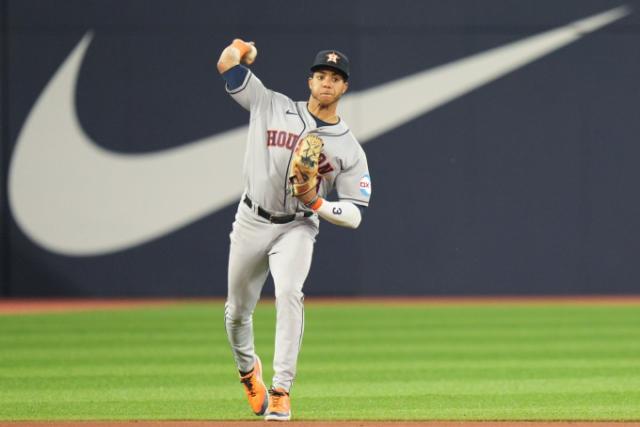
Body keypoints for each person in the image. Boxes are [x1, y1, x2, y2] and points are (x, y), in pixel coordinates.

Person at [217, 38, 371, 421]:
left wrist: (317, 203)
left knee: (289, 293)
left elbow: (354, 214)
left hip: (298, 226)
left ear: (345, 87)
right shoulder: (271, 104)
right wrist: (240, 47)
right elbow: (226, 64)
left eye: (335, 78)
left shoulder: (349, 149)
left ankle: (281, 390)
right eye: (321, 75)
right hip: (252, 218)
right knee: (237, 312)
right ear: (309, 81)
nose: (326, 83)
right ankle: (248, 372)